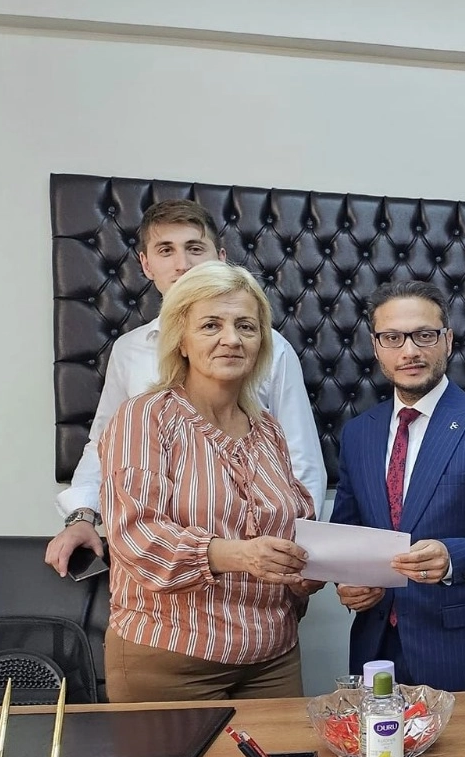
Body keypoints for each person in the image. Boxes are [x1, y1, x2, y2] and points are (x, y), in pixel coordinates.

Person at [47, 199, 324, 576]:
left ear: (220, 258)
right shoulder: (129, 352)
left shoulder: (270, 348)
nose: (183, 264)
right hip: (159, 567)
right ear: (146, 264)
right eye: (166, 250)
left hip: (259, 567)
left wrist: (300, 558)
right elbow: (103, 445)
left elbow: (299, 458)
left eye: (195, 248)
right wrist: (82, 516)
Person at [100, 261, 321, 701]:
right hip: (171, 658)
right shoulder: (144, 417)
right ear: (180, 340)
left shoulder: (269, 429)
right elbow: (137, 537)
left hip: (273, 657)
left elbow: (295, 522)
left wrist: (305, 571)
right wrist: (240, 555)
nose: (231, 339)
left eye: (246, 326)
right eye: (210, 325)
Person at [328, 280, 465, 691]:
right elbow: (346, 532)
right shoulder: (358, 434)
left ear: (448, 341)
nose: (409, 351)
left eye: (424, 335)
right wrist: (347, 581)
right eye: (392, 337)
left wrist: (452, 558)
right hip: (376, 644)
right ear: (376, 346)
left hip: (460, 646)